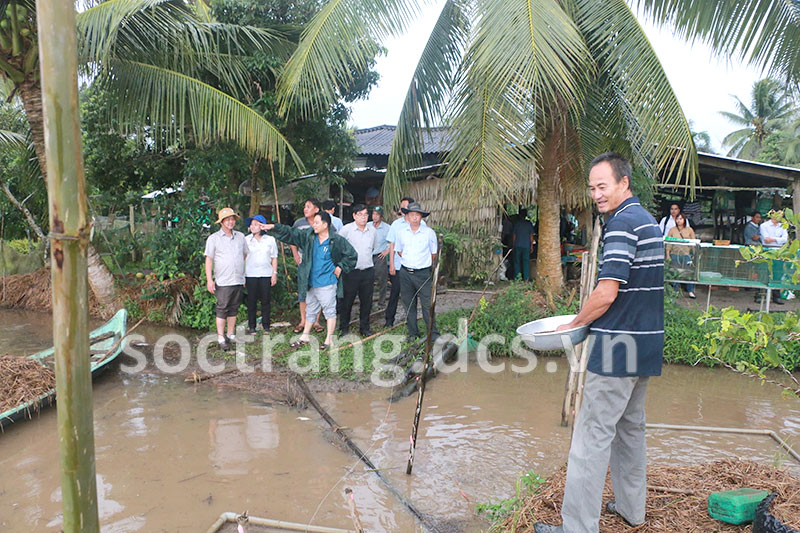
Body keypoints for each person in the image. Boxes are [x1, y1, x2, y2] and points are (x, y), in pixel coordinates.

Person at [535, 153, 664, 533]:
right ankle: (630, 509)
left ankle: (576, 527)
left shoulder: (622, 224)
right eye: (592, 188)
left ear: (624, 183)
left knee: (590, 440)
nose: (596, 194)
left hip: (615, 350)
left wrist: (572, 325)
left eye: (602, 186)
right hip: (645, 346)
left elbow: (607, 293)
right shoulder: (648, 222)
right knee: (630, 432)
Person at [263, 212, 357, 349]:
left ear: (325, 225)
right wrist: (273, 227)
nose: (314, 225)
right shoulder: (309, 236)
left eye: (317, 222)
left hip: (327, 282)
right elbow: (292, 233)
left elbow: (352, 255)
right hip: (311, 281)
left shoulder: (336, 240)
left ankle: (329, 339)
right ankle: (305, 335)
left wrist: (340, 267)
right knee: (311, 309)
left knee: (329, 311)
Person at [394, 202, 439, 341]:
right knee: (408, 304)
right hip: (406, 272)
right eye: (412, 215)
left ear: (421, 217)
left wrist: (420, 263)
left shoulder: (429, 233)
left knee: (427, 304)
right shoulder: (402, 233)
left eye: (417, 215)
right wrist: (410, 262)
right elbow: (400, 251)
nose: (414, 218)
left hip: (423, 274)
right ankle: (413, 333)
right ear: (407, 216)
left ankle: (433, 334)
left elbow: (433, 254)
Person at [204, 207, 247, 350]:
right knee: (222, 308)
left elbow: (245, 254)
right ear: (221, 222)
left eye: (232, 219)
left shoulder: (240, 236)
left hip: (238, 279)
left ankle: (231, 334)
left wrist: (241, 271)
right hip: (223, 280)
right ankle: (221, 337)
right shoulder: (214, 238)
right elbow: (209, 260)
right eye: (227, 220)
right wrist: (210, 280)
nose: (230, 222)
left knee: (234, 307)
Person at [385, 197, 426, 327]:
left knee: (413, 295)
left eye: (406, 207)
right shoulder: (396, 224)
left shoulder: (422, 225)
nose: (403, 210)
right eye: (402, 207)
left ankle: (411, 322)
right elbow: (392, 245)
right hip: (398, 265)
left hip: (416, 266)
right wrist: (391, 264)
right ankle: (389, 320)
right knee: (395, 292)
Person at [338, 204, 378, 336]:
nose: (363, 217)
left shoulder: (372, 231)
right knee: (347, 301)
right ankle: (344, 328)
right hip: (351, 272)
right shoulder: (346, 230)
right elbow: (338, 249)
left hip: (367, 271)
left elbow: (372, 248)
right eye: (360, 214)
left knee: (367, 302)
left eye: (366, 214)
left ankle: (364, 328)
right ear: (354, 215)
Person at [291, 198, 323, 333]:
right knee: (303, 289)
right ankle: (303, 320)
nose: (305, 209)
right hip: (304, 260)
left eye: (308, 207)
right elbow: (292, 239)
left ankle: (316, 321)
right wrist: (295, 255)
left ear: (316, 209)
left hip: (319, 260)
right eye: (305, 207)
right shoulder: (299, 223)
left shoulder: (324, 221)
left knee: (319, 289)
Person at [244, 214, 278, 335]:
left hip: (266, 273)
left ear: (262, 226)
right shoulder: (246, 240)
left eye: (256, 224)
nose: (252, 227)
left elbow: (274, 258)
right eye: (251, 224)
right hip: (250, 274)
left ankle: (266, 325)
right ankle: (252, 326)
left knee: (266, 301)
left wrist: (274, 273)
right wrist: (242, 275)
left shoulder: (270, 240)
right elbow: (243, 258)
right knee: (251, 301)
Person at [760, 211, 789, 305]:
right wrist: (778, 239)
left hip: (779, 251)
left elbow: (785, 239)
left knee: (778, 273)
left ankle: (776, 296)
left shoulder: (783, 225)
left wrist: (773, 239)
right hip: (767, 250)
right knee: (764, 272)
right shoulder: (764, 225)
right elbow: (766, 239)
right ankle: (760, 295)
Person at [666, 212, 696, 298]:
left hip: (686, 254)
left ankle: (690, 291)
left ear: (684, 220)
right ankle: (675, 290)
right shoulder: (672, 230)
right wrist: (668, 254)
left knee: (688, 273)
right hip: (675, 254)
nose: (679, 221)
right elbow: (669, 243)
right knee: (675, 272)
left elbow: (693, 243)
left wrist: (694, 254)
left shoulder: (689, 230)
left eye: (681, 219)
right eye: (677, 219)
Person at [371, 206, 391, 308]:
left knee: (382, 280)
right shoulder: (368, 225)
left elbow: (392, 242)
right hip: (368, 256)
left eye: (377, 215)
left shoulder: (387, 228)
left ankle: (381, 302)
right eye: (373, 214)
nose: (375, 217)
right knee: (368, 279)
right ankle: (368, 302)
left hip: (379, 256)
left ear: (381, 216)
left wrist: (386, 251)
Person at [512, 209, 535, 281]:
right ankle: (526, 279)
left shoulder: (516, 223)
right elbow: (531, 236)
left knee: (517, 262)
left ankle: (517, 278)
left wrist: (513, 245)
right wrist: (531, 246)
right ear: (526, 215)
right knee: (526, 262)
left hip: (517, 245)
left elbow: (514, 236)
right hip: (526, 246)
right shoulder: (529, 224)